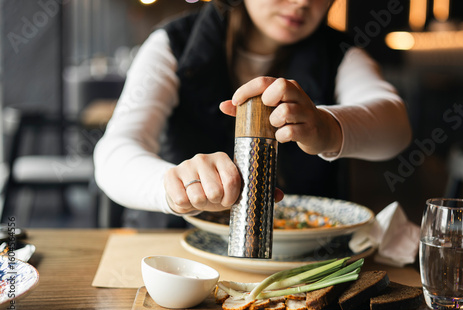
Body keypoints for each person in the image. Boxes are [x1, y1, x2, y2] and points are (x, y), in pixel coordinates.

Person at [93, 0, 412, 227]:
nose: (302, 3)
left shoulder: (339, 53)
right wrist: (174, 186)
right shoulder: (173, 43)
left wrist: (327, 128)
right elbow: (113, 153)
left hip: (300, 262)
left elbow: (396, 128)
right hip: (179, 255)